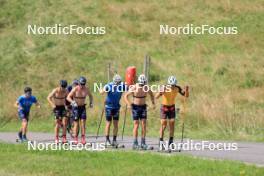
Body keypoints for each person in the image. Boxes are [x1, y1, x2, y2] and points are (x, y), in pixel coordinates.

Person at [155, 76, 189, 149]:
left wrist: (187, 90)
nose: (172, 87)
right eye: (171, 85)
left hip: (172, 107)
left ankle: (170, 142)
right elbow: (156, 97)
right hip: (164, 107)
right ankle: (161, 142)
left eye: (173, 85)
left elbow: (186, 96)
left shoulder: (177, 88)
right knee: (163, 124)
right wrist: (161, 92)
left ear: (175, 84)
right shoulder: (164, 87)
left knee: (172, 124)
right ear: (168, 84)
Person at [124, 74, 155, 149]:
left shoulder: (146, 87)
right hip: (135, 107)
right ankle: (135, 143)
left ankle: (143, 143)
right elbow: (125, 96)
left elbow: (151, 94)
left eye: (143, 84)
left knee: (144, 124)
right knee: (136, 124)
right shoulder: (134, 87)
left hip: (143, 107)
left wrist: (153, 103)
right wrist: (128, 104)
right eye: (141, 84)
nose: (142, 85)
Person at [100, 74, 127, 147]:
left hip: (116, 107)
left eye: (119, 83)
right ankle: (107, 140)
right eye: (117, 83)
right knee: (108, 123)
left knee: (116, 124)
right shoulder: (109, 85)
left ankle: (114, 140)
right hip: (109, 107)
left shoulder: (122, 85)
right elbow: (101, 92)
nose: (118, 84)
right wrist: (103, 90)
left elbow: (129, 89)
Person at [67, 76, 93, 144]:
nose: (82, 86)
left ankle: (83, 138)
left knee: (83, 123)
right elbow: (68, 97)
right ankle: (75, 139)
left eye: (84, 84)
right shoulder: (75, 89)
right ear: (79, 83)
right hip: (76, 108)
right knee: (76, 123)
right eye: (81, 84)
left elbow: (91, 96)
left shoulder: (86, 89)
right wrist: (73, 102)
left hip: (82, 107)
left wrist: (91, 103)